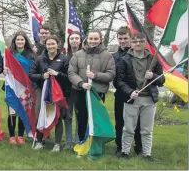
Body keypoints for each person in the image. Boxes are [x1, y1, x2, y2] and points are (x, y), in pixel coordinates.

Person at [116, 32, 164, 161]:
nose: (138, 43)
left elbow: (162, 79)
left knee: (147, 130)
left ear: (145, 43)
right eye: (135, 41)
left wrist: (153, 76)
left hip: (149, 99)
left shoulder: (153, 59)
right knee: (128, 129)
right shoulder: (124, 59)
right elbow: (119, 81)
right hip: (132, 99)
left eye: (141, 41)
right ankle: (125, 152)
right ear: (131, 43)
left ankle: (147, 154)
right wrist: (129, 92)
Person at [68, 29, 115, 153]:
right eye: (91, 38)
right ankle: (82, 145)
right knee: (81, 119)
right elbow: (71, 73)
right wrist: (82, 83)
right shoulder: (77, 55)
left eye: (96, 39)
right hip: (80, 91)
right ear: (86, 39)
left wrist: (96, 76)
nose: (93, 41)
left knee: (96, 120)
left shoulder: (107, 55)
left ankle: (95, 146)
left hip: (97, 93)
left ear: (100, 40)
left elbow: (111, 75)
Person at [29, 35, 69, 151]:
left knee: (58, 116)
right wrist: (42, 76)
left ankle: (57, 144)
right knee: (40, 114)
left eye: (53, 44)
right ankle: (39, 142)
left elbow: (68, 77)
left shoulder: (64, 59)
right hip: (43, 91)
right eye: (48, 44)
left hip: (58, 92)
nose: (51, 46)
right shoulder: (40, 59)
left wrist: (58, 74)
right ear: (45, 46)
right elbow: (31, 74)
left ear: (57, 44)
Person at [113, 26, 142, 156]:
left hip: (137, 93)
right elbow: (114, 77)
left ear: (130, 38)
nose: (123, 41)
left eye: (125, 38)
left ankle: (139, 147)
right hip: (120, 93)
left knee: (138, 123)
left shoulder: (137, 53)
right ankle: (120, 147)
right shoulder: (114, 56)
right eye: (120, 38)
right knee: (120, 122)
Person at [4, 31, 35, 145]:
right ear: (14, 41)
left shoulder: (31, 55)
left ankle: (21, 136)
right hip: (12, 87)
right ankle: (12, 136)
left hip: (25, 88)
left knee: (23, 111)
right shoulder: (9, 54)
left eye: (22, 40)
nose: (20, 42)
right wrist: (5, 69)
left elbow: (32, 70)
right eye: (18, 40)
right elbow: (5, 66)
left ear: (25, 41)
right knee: (12, 111)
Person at [64, 31, 83, 149]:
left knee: (79, 116)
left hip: (80, 89)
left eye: (77, 38)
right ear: (69, 41)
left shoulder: (84, 55)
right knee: (67, 116)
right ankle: (68, 142)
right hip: (67, 90)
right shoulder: (64, 55)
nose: (74, 40)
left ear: (80, 40)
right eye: (72, 38)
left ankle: (78, 141)